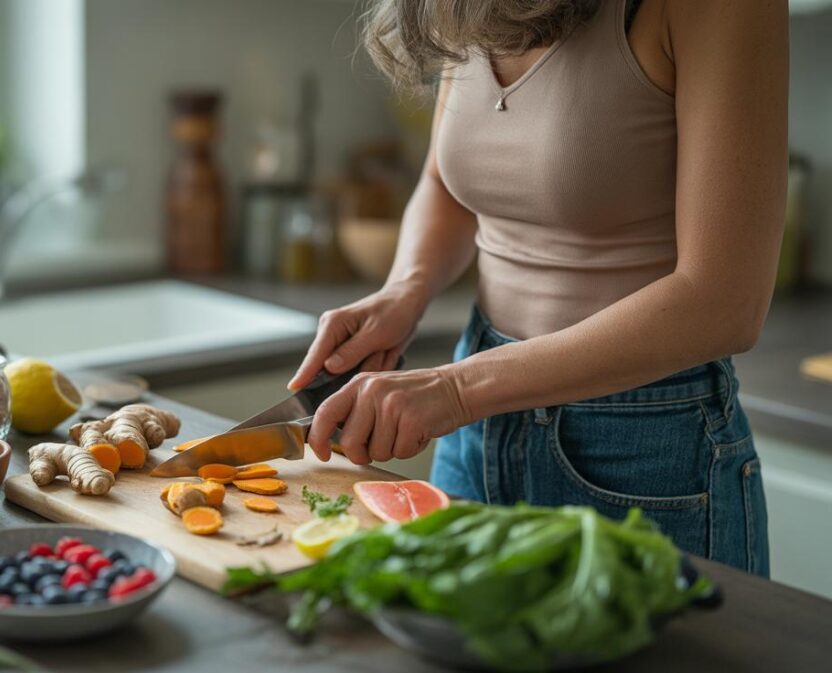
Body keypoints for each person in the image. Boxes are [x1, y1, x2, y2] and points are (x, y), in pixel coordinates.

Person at [290, 0, 787, 576]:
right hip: (474, 422)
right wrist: (405, 290)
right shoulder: (471, 7)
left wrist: (455, 391)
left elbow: (724, 303)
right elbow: (449, 182)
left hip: (643, 440)